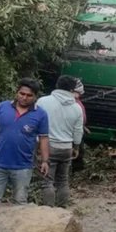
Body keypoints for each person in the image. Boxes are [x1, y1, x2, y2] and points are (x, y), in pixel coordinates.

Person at [0, 78, 49, 205]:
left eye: (29, 95)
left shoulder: (41, 114)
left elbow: (44, 138)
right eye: (22, 94)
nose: (24, 97)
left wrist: (45, 161)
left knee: (20, 203)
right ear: (17, 93)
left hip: (23, 167)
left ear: (35, 96)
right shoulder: (2, 107)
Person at [36, 75, 84, 208]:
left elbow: (35, 124)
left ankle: (49, 211)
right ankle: (62, 210)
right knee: (63, 181)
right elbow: (78, 130)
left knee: (47, 182)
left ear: (57, 85)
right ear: (72, 89)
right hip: (66, 148)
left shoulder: (43, 102)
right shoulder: (77, 107)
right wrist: (76, 147)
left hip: (48, 147)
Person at [72, 79, 87, 171]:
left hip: (80, 128)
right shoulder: (71, 102)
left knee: (80, 151)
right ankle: (75, 170)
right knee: (76, 152)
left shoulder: (76, 101)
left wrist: (84, 126)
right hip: (74, 131)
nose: (80, 95)